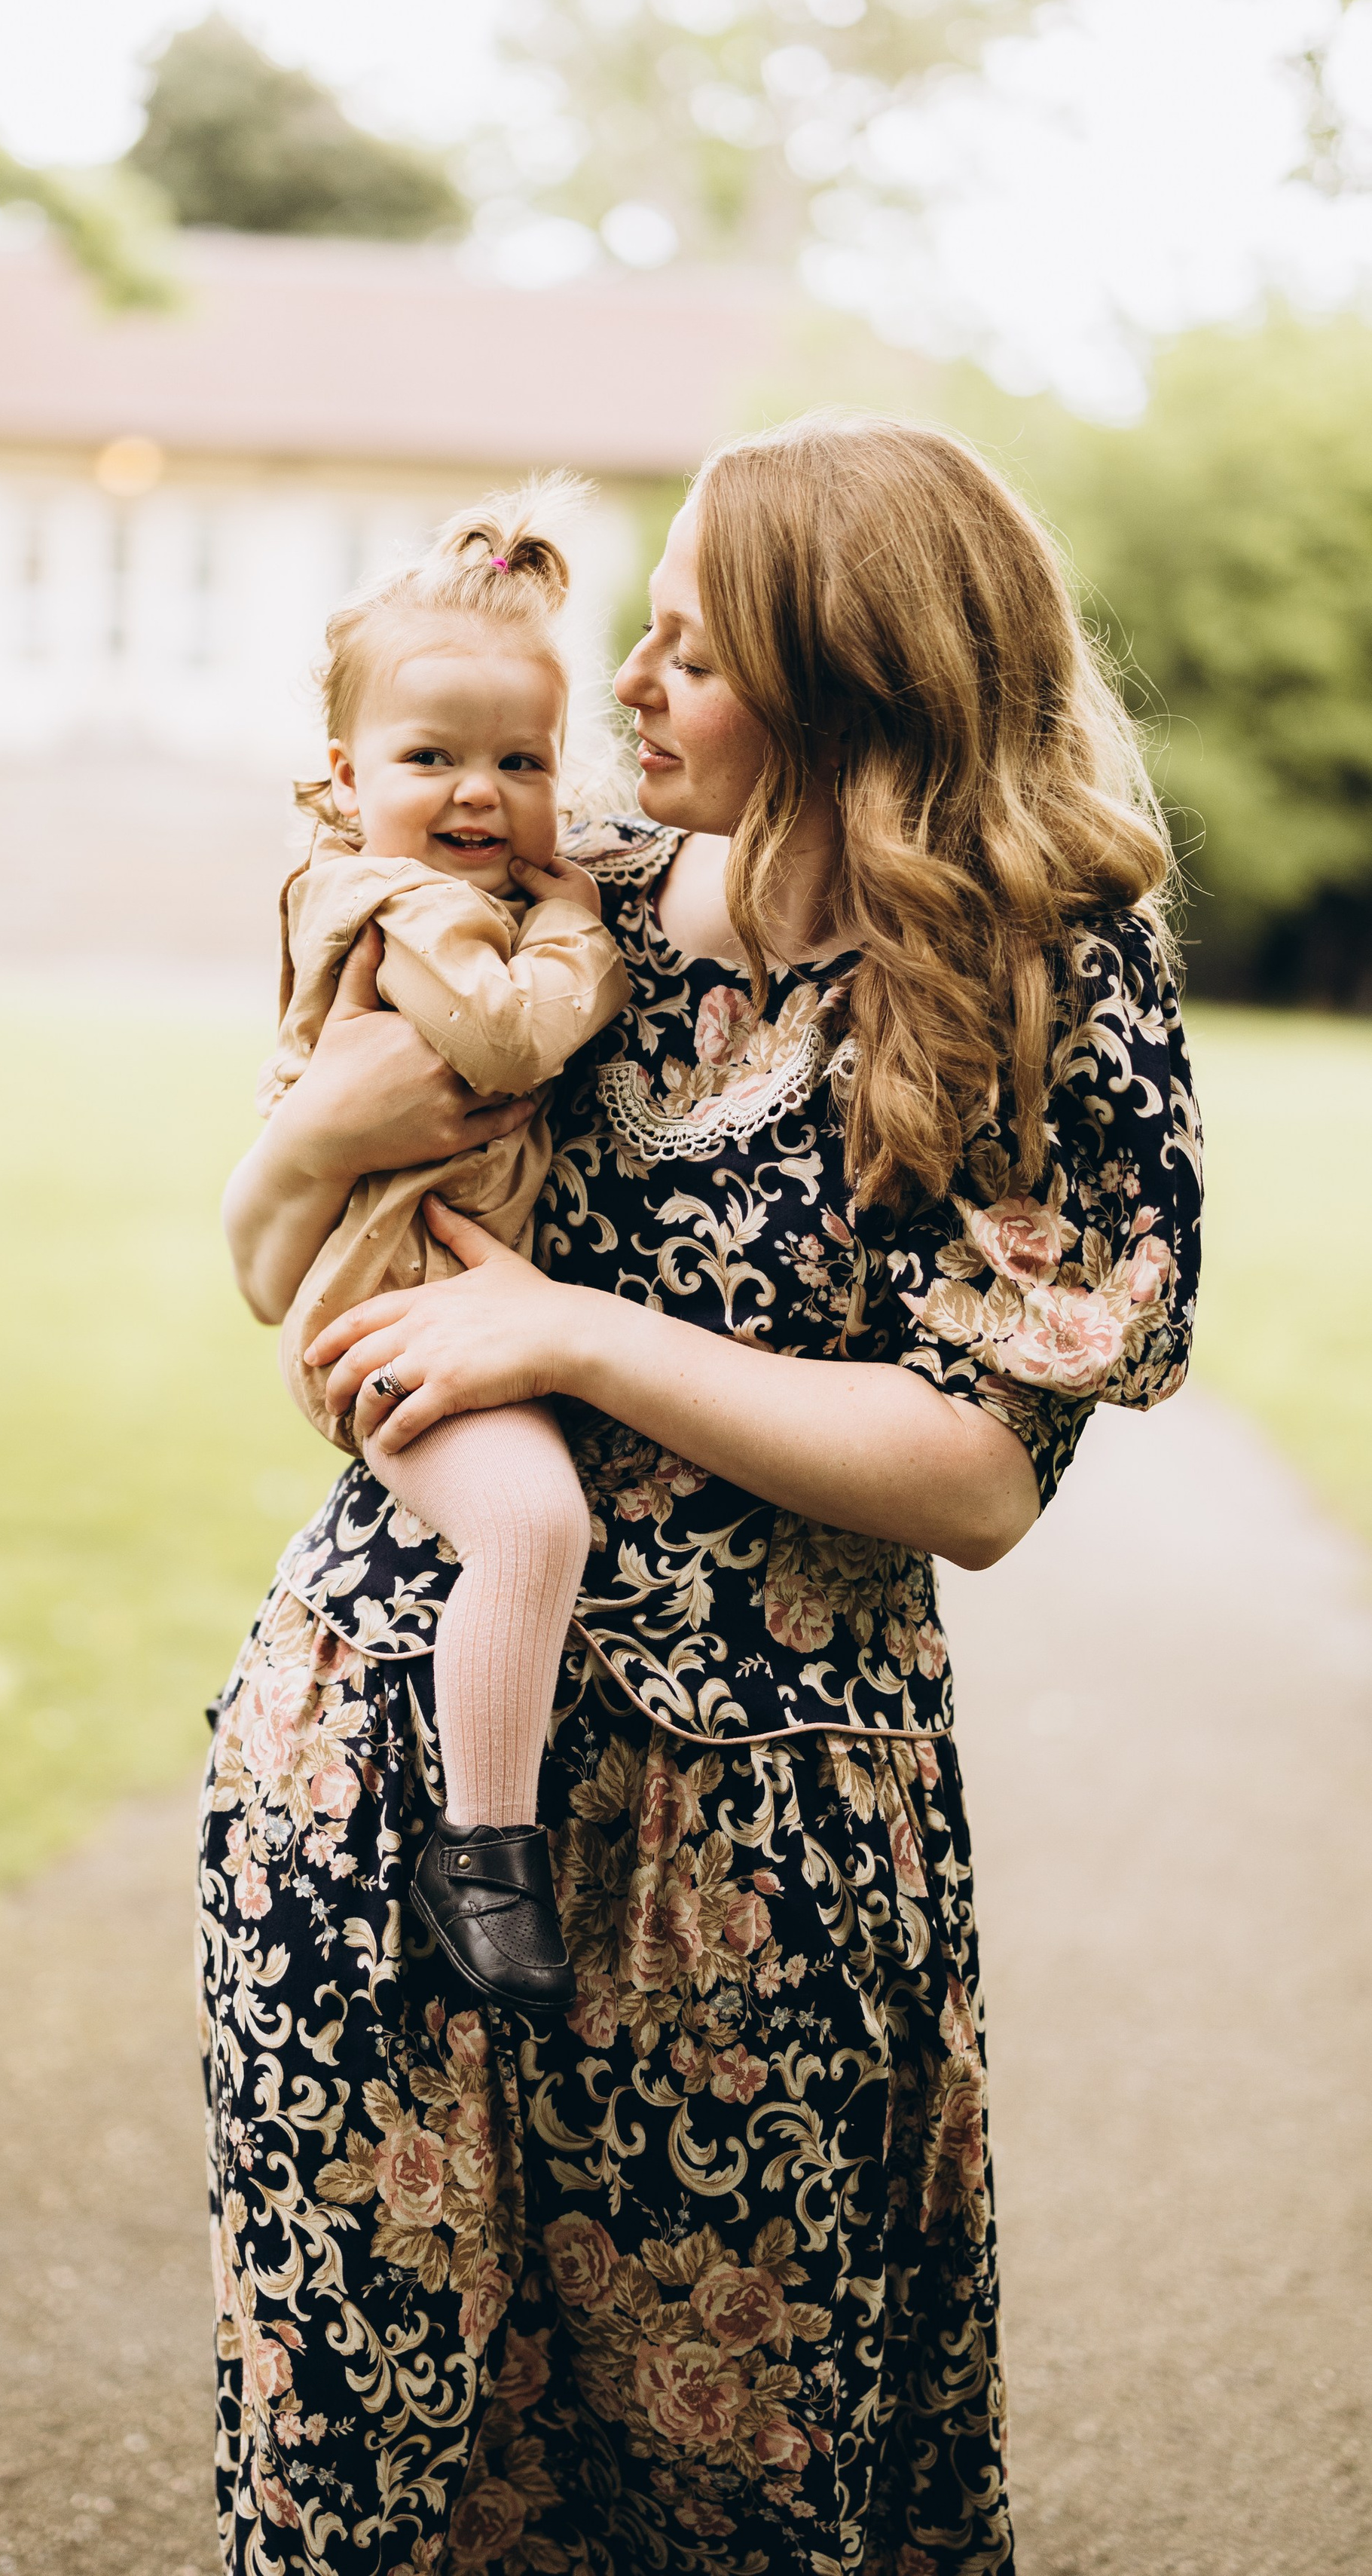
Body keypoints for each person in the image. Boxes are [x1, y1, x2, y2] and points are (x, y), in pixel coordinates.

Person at [205, 413, 1202, 2575]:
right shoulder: (588, 912)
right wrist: (289, 1161)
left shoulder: (1041, 971)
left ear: (849, 683)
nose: (621, 698)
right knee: (368, 2438)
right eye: (637, 642)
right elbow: (305, 1264)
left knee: (731, 2457)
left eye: (688, 652)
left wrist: (576, 1334)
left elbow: (977, 1472)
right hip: (376, 1755)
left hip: (748, 1850)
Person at [256, 482, 630, 2012]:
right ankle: (482, 1854)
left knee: (531, 1527)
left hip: (423, 1287)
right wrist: (577, 934)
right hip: (385, 1307)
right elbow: (503, 1041)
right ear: (347, 779)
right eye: (431, 760)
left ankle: (481, 1838)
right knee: (534, 1529)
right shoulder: (404, 903)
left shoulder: (432, 881)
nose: (478, 796)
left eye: (519, 762)